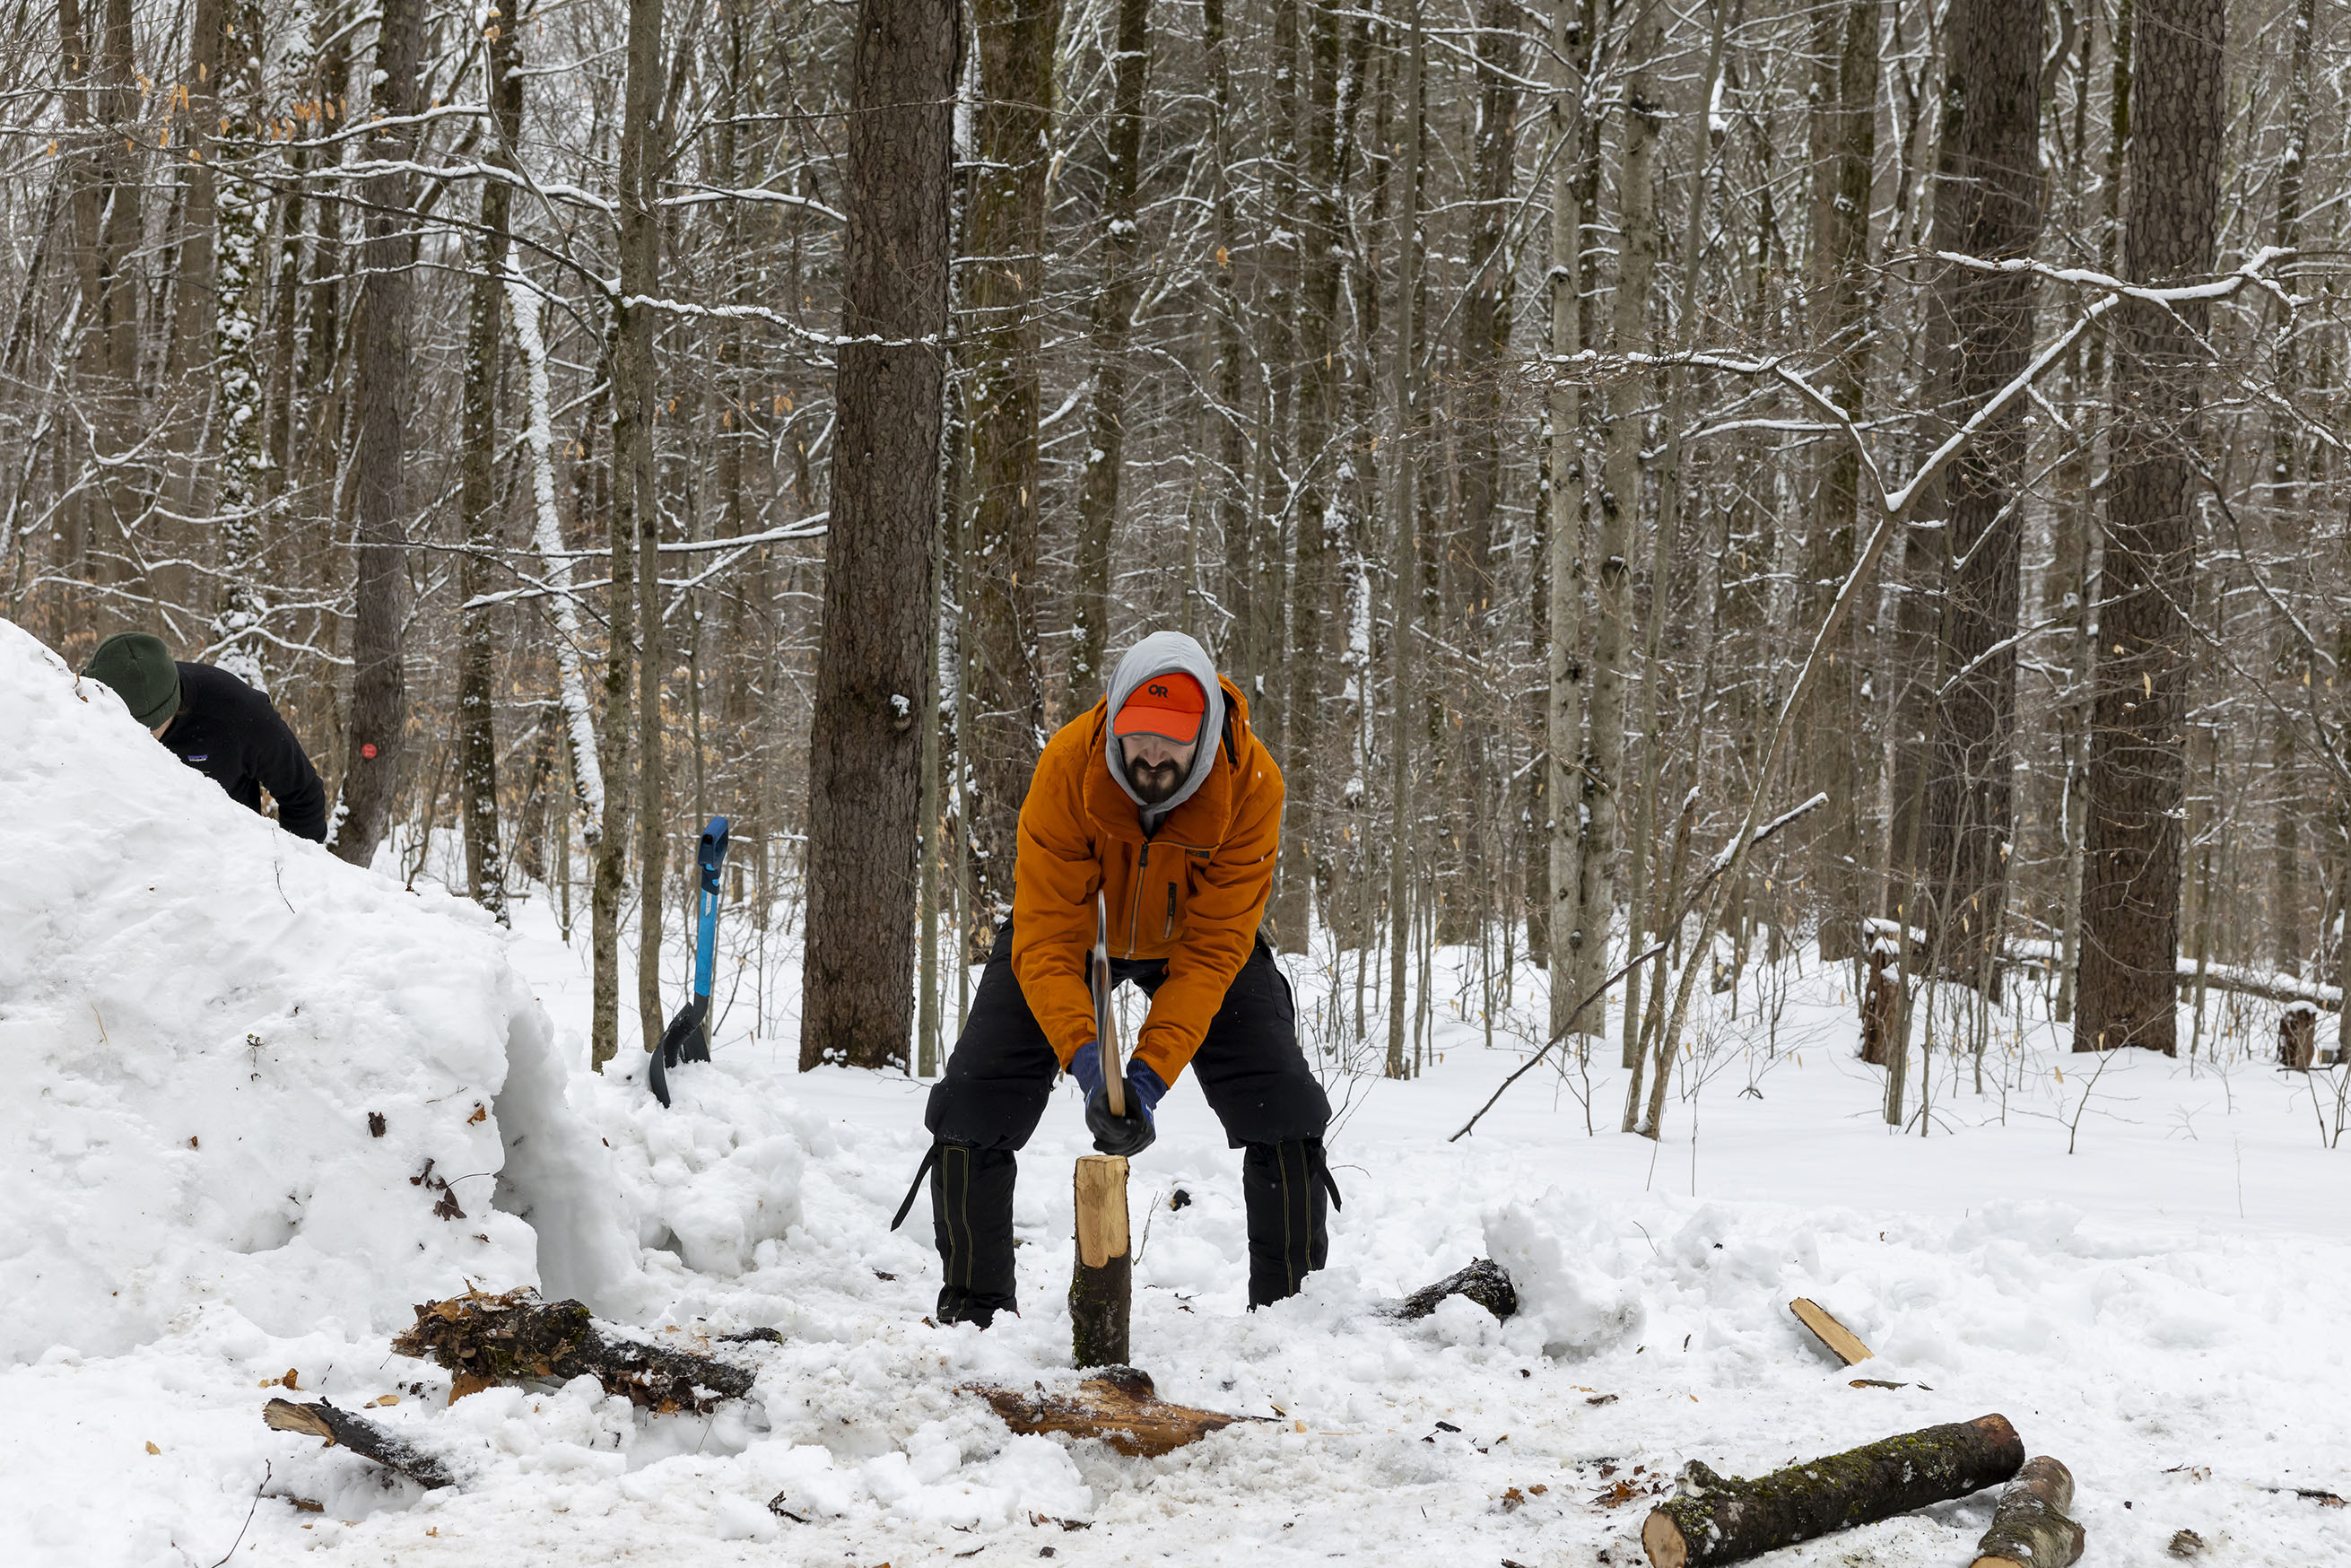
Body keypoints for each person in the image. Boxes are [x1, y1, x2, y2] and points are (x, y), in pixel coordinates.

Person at [912, 631, 1337, 1326]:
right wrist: (1089, 1063)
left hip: (1193, 943)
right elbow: (1049, 939)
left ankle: (1291, 1315)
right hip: (1073, 935)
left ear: (1205, 733)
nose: (1152, 754)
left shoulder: (1251, 783)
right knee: (971, 1104)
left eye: (1173, 738)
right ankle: (976, 1314)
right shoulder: (1067, 764)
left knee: (1283, 1104)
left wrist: (1147, 1077)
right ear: (1112, 720)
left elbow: (1212, 952)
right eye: (1138, 733)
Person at [82, 632, 329, 843]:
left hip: (227, 859)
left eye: (149, 729)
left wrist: (291, 876)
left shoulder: (238, 712)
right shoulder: (80, 705)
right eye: (124, 729)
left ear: (173, 707)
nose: (137, 740)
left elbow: (303, 795)